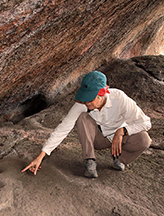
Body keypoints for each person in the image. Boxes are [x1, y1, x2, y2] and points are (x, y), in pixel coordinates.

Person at [21, 70, 152, 178]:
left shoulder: (120, 98)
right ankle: (90, 160)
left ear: (101, 93)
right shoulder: (82, 104)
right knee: (83, 117)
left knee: (144, 140)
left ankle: (120, 160)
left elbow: (145, 122)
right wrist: (40, 156)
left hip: (119, 138)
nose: (86, 103)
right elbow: (63, 128)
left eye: (90, 99)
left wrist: (122, 131)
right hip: (98, 138)